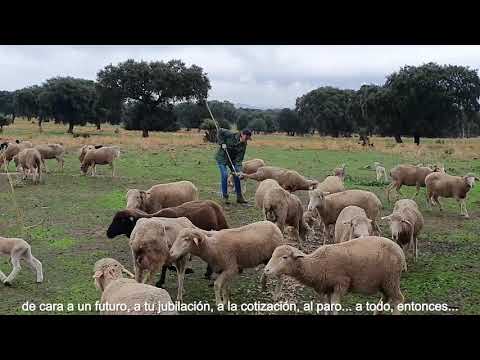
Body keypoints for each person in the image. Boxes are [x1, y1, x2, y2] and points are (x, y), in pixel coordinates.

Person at [215, 128, 252, 204]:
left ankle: (239, 197)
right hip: (222, 157)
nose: (246, 140)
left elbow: (239, 159)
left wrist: (239, 170)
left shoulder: (244, 145)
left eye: (248, 139)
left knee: (237, 175)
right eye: (246, 138)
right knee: (225, 175)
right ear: (242, 134)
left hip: (232, 160)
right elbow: (220, 131)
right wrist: (222, 143)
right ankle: (225, 197)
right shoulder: (230, 134)